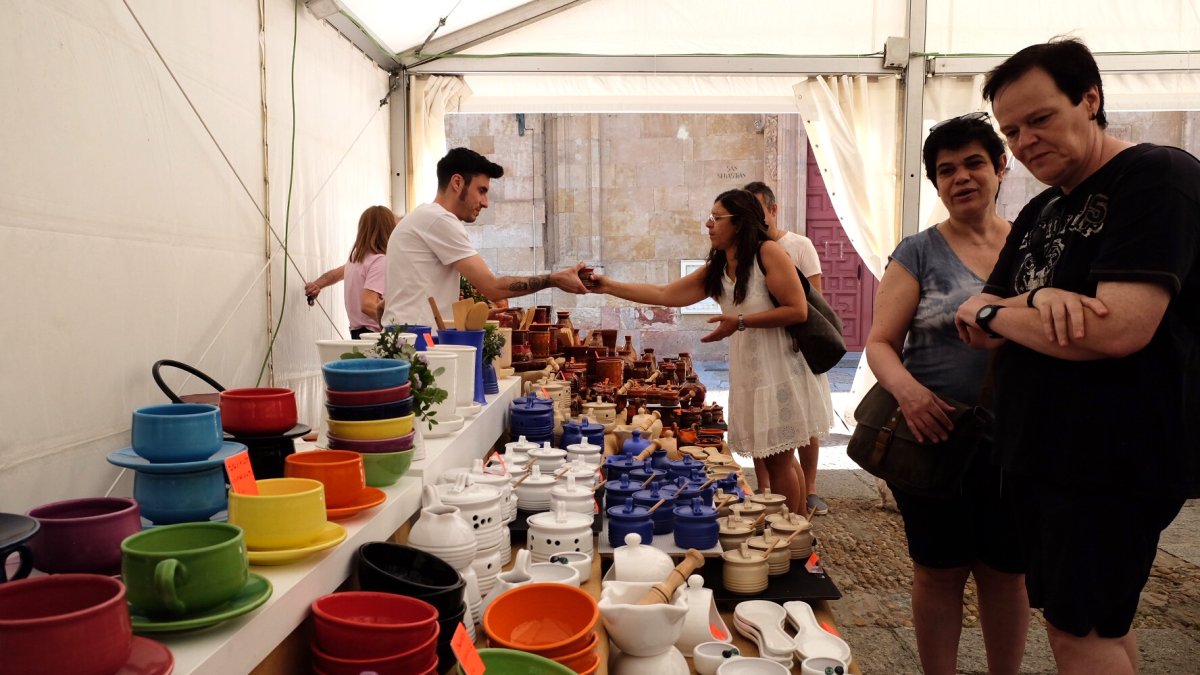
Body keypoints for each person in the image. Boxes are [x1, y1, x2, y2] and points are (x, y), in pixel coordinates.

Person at [954, 38, 1200, 674]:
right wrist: (1032, 308)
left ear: (1090, 99)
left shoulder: (1156, 176)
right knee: (1099, 624)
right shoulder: (1041, 207)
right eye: (1012, 131)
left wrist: (1007, 311)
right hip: (1041, 449)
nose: (1025, 141)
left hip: (1111, 456)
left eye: (1040, 119)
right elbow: (974, 321)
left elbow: (1117, 330)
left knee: (1077, 635)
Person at [865, 114, 1028, 674]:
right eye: (946, 170)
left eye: (974, 163)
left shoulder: (1030, 247)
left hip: (1016, 440)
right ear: (936, 183)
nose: (961, 177)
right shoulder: (918, 252)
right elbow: (881, 344)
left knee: (1007, 572)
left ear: (1000, 166)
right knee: (938, 568)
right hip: (932, 435)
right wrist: (909, 394)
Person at [593, 189, 832, 515]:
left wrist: (741, 321)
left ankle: (795, 537)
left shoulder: (769, 253)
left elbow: (798, 310)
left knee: (780, 461)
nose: (709, 224)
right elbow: (665, 293)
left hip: (780, 370)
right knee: (774, 458)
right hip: (751, 372)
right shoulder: (719, 266)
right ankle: (797, 532)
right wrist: (607, 285)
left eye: (717, 218)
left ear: (740, 223)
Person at [382, 147, 588, 328]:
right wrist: (554, 279)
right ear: (457, 182)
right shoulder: (439, 220)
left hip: (410, 340)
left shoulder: (424, 217)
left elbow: (410, 300)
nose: (485, 202)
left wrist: (472, 318)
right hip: (418, 345)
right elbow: (493, 288)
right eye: (481, 191)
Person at [743, 181, 834, 516]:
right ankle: (766, 488)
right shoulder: (748, 248)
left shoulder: (798, 245)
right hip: (761, 352)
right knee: (764, 420)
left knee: (802, 423)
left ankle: (809, 490)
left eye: (757, 210)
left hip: (795, 349)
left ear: (773, 209)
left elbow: (814, 299)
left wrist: (801, 333)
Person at [305, 206, 401, 338]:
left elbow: (333, 275)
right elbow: (367, 305)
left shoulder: (355, 260)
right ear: (388, 230)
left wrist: (316, 285)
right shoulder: (380, 261)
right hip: (374, 335)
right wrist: (394, 325)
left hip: (356, 333)